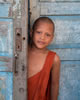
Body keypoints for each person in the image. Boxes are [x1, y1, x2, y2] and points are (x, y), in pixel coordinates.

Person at [28, 17, 61, 100]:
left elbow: (54, 85)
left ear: (52, 38)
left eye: (47, 35)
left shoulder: (54, 59)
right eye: (39, 32)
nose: (42, 37)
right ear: (31, 33)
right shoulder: (23, 52)